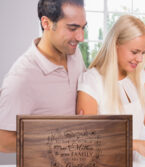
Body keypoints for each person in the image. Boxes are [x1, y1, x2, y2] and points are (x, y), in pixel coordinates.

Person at [76, 15, 145, 162]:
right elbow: (87, 140)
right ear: (116, 45)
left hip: (134, 166)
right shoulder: (91, 81)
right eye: (134, 52)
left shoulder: (139, 76)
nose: (140, 59)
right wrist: (136, 144)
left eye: (143, 52)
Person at [0, 0, 87, 153]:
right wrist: (58, 139)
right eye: (72, 28)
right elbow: (3, 142)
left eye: (83, 28)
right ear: (46, 23)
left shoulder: (73, 53)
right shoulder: (21, 79)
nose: (81, 37)